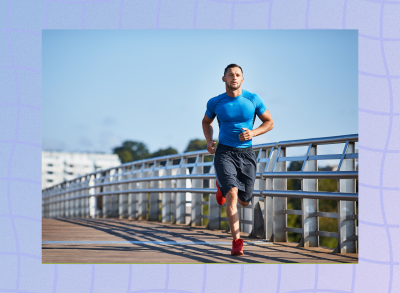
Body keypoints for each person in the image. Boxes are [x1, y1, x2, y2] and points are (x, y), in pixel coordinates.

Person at [202, 64, 274, 256]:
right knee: (232, 194)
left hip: (246, 154)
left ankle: (221, 186)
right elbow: (206, 122)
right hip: (224, 152)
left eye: (238, 75)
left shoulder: (253, 99)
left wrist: (253, 133)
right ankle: (237, 241)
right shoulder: (216, 102)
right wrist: (209, 141)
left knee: (244, 200)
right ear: (223, 79)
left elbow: (269, 122)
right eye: (230, 75)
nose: (234, 77)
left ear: (242, 79)